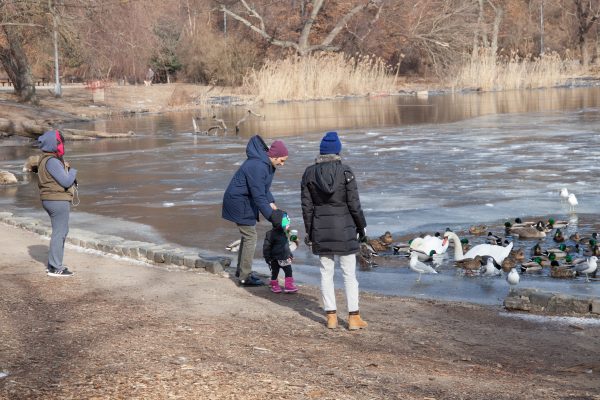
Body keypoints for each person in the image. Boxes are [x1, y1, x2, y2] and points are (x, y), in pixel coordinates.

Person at [300, 131, 368, 330]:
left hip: (321, 228)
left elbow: (307, 207)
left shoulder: (309, 173)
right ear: (337, 151)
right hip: (345, 228)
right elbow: (354, 204)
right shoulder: (346, 172)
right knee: (349, 273)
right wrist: (361, 228)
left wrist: (310, 231)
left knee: (326, 273)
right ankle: (354, 317)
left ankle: (331, 317)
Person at [222, 135, 288, 286]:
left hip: (244, 201)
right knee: (250, 236)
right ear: (275, 156)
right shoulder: (258, 165)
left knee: (248, 236)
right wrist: (272, 217)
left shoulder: (265, 163)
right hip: (239, 202)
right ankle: (245, 276)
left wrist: (272, 203)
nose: (282, 164)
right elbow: (258, 195)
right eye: (282, 160)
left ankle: (241, 271)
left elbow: (263, 188)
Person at [36, 130, 78, 277]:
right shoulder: (52, 161)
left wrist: (64, 167)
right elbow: (66, 181)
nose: (62, 145)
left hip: (51, 199)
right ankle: (55, 267)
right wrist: (73, 171)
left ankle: (52, 265)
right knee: (60, 233)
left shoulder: (45, 159)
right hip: (57, 200)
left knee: (60, 232)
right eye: (61, 142)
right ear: (54, 144)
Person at [262, 209, 299, 293]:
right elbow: (266, 246)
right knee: (275, 272)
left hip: (284, 257)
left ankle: (288, 286)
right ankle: (274, 284)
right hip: (274, 258)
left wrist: (290, 254)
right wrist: (267, 258)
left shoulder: (285, 233)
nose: (288, 224)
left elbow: (286, 245)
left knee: (288, 270)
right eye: (286, 222)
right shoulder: (270, 234)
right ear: (279, 222)